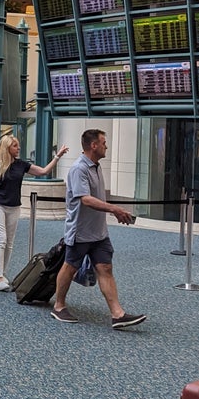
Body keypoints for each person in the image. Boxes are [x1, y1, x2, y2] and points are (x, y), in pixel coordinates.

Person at [50, 129, 145, 329]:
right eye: (103, 142)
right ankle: (59, 306)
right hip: (81, 231)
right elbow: (85, 199)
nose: (106, 146)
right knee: (70, 267)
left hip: (99, 232)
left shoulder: (96, 166)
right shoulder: (78, 169)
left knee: (105, 268)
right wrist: (114, 209)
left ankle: (117, 314)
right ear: (93, 145)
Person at [0, 135, 67, 291]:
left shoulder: (22, 165)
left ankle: (2, 274)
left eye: (18, 145)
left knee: (9, 242)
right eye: (15, 146)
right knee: (1, 239)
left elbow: (43, 171)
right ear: (7, 148)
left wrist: (57, 156)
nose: (18, 148)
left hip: (14, 206)